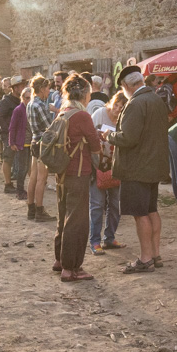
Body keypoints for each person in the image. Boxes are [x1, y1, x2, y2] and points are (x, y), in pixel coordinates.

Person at [104, 65, 169, 274]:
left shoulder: (135, 103)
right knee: (151, 210)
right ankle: (155, 255)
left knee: (140, 214)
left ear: (125, 85)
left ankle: (145, 258)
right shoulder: (155, 99)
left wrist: (108, 136)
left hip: (137, 167)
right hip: (153, 165)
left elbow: (128, 138)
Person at [52, 75, 101, 282]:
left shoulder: (63, 112)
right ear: (84, 95)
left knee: (63, 215)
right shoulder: (82, 116)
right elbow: (95, 145)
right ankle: (71, 268)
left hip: (62, 171)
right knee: (77, 220)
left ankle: (60, 260)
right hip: (79, 172)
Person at [90, 91, 126, 254]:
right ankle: (95, 241)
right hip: (97, 165)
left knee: (115, 204)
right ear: (112, 102)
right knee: (97, 204)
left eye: (121, 107)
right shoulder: (99, 114)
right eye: (116, 105)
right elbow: (89, 135)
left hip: (116, 167)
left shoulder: (125, 119)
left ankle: (109, 238)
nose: (117, 109)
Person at [25, 75, 55, 222]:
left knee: (33, 177)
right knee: (42, 179)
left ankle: (31, 208)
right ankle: (39, 210)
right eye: (48, 88)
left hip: (34, 140)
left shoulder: (30, 103)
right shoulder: (40, 105)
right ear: (42, 89)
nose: (49, 91)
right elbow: (49, 126)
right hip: (43, 142)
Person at [0, 77, 23, 193]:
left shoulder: (22, 100)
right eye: (21, 86)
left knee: (23, 159)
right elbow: (0, 118)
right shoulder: (6, 101)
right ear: (15, 88)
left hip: (21, 134)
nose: (24, 88)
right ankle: (8, 184)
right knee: (8, 158)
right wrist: (10, 131)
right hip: (8, 134)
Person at [9, 86, 32, 203]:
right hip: (22, 143)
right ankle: (19, 190)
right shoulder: (18, 110)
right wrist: (11, 142)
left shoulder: (31, 109)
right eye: (27, 98)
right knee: (22, 168)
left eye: (30, 98)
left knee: (27, 167)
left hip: (31, 143)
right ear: (22, 98)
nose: (29, 100)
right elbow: (12, 127)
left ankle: (24, 189)